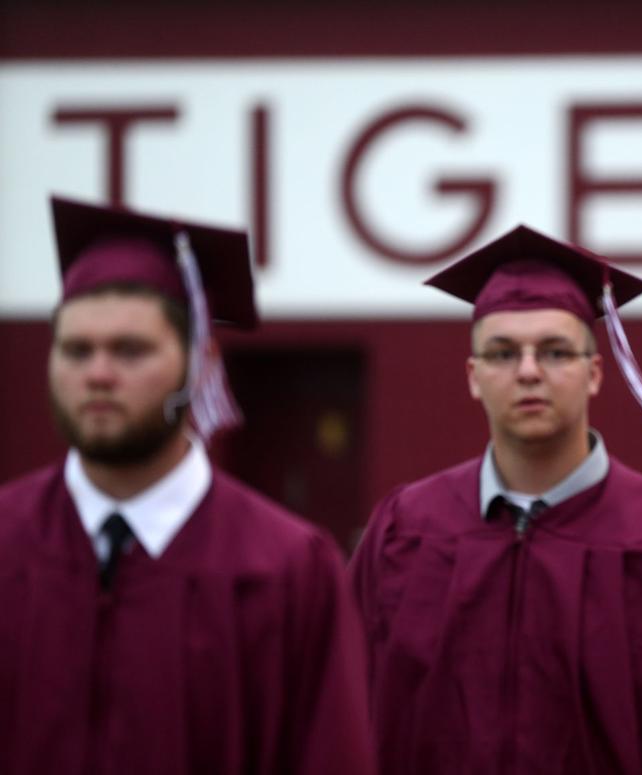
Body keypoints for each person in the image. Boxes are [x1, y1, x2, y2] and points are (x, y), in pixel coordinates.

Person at [349, 225, 642, 774]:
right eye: (503, 353)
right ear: (474, 377)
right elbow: (344, 713)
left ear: (594, 372)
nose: (528, 371)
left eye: (554, 351)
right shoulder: (403, 532)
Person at [0, 196, 373, 775]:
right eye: (76, 350)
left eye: (130, 350)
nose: (98, 373)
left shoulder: (287, 569)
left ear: (199, 364)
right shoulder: (7, 541)